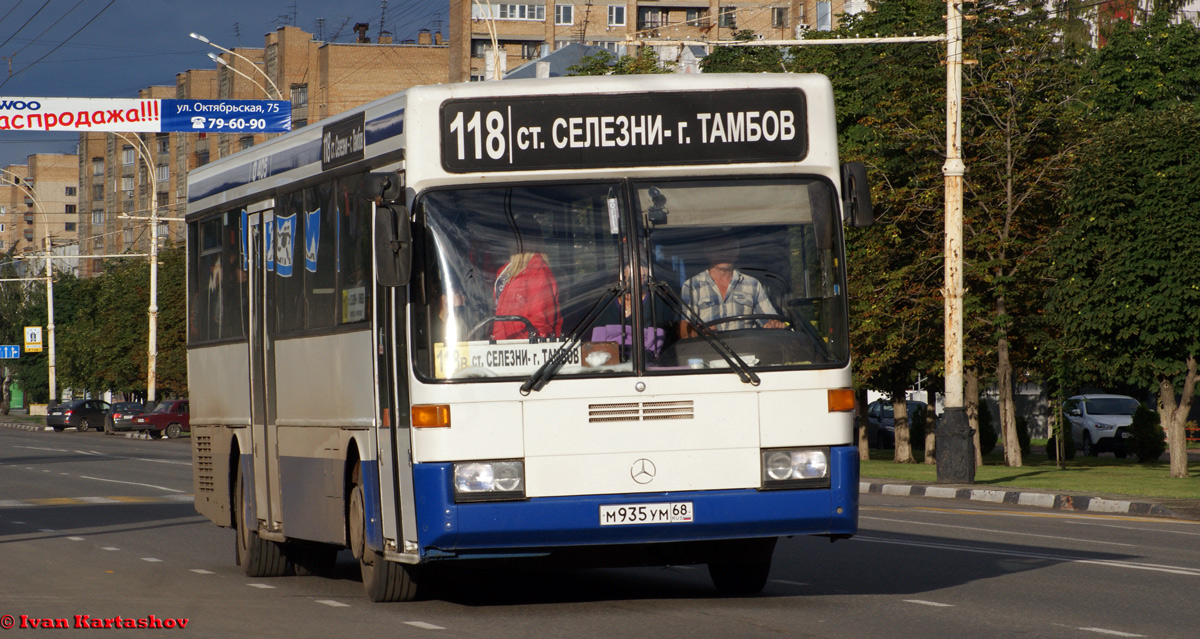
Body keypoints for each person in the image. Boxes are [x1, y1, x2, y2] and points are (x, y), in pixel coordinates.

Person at [680, 237, 785, 337]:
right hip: (708, 352)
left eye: (729, 249)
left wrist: (774, 324)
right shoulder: (692, 286)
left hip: (746, 352)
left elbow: (769, 321)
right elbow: (684, 330)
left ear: (736, 253)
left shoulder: (752, 284)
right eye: (718, 248)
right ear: (707, 253)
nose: (724, 253)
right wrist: (700, 332)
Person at [492, 251, 562, 340]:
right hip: (502, 345)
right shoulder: (504, 270)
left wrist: (522, 346)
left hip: (521, 346)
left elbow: (540, 322)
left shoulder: (538, 271)